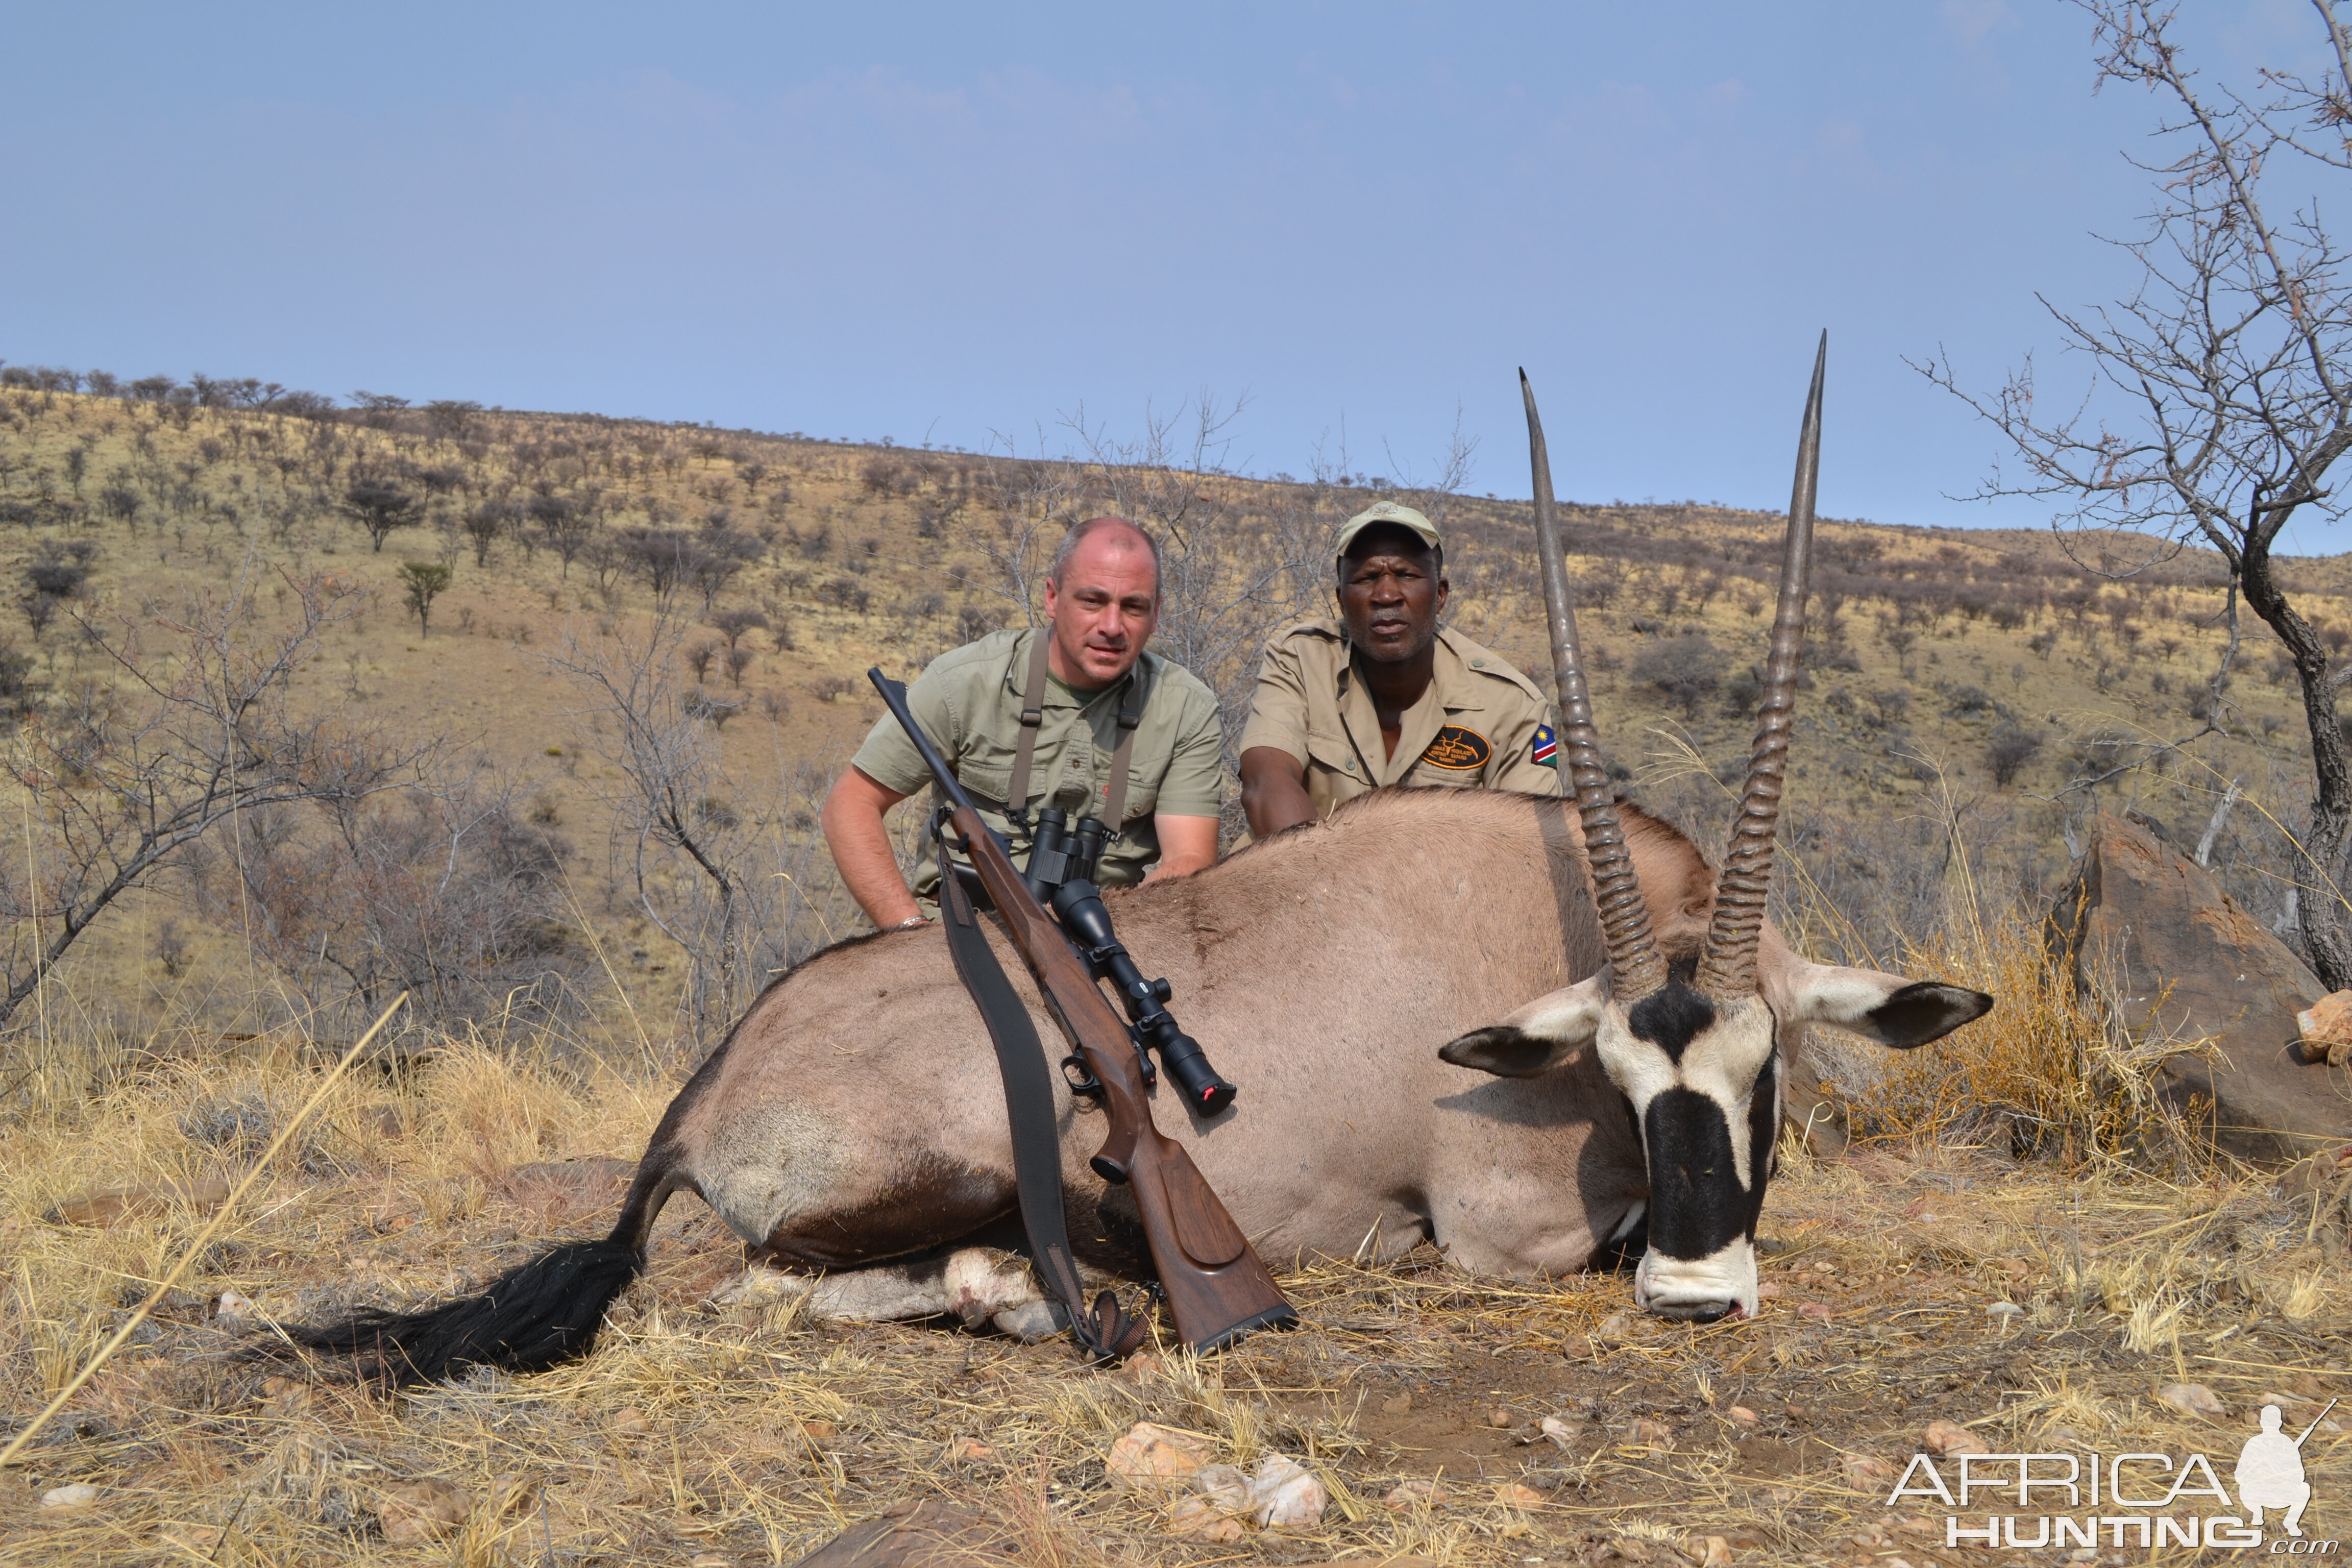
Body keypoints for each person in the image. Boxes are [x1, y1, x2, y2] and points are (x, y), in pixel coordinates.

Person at [824, 516, 1225, 929]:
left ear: (1156, 613)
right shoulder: (966, 682)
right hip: (955, 933)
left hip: (1110, 934)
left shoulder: (1186, 708)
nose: (1111, 626)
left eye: (1133, 607)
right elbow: (852, 805)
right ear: (1053, 598)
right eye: (1092, 601)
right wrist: (907, 930)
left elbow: (1189, 858)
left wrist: (1118, 933)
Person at [1238, 500, 1561, 839]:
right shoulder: (1299, 659)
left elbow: (1527, 845)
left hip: (1445, 889)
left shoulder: (1514, 703)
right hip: (1300, 883)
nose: (1387, 594)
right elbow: (1265, 783)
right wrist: (1333, 887)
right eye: (1367, 578)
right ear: (1341, 600)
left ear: (1439, 594)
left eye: (1407, 575)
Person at [2235, 1403, 2313, 1536]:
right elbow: (2240, 1475)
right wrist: (2259, 1473)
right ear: (2280, 1423)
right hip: (2259, 1494)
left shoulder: (2287, 1444)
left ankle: (2291, 1522)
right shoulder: (2254, 1444)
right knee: (2244, 1488)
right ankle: (2257, 1514)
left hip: (2281, 1494)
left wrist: (2283, 1475)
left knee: (2305, 1488)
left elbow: (2299, 1474)